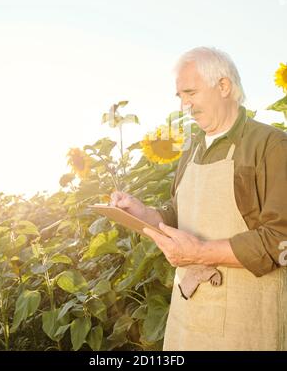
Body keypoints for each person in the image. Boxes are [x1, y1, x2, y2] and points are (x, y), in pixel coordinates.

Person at [111, 46, 287, 351]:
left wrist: (203, 252)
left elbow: (281, 240)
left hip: (245, 323)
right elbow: (179, 212)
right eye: (179, 96)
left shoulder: (270, 145)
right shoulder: (191, 149)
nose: (185, 105)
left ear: (223, 86)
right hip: (188, 316)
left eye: (190, 92)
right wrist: (144, 213)